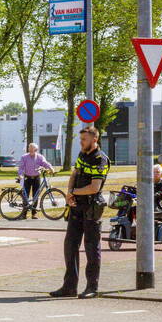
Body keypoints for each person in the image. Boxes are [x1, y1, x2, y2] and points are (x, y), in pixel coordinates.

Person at [50, 126, 110, 299]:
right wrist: (69, 192)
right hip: (77, 206)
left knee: (91, 248)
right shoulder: (82, 154)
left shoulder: (101, 159)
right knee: (70, 245)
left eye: (84, 139)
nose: (81, 142)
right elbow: (74, 174)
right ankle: (69, 286)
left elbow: (94, 187)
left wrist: (74, 192)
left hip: (91, 207)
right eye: (81, 139)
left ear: (94, 139)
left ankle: (92, 287)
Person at [17, 143, 55, 219]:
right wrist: (20, 175)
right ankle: (24, 214)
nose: (30, 150)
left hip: (36, 178)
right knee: (25, 196)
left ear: (36, 150)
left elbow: (45, 163)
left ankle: (33, 214)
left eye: (32, 149)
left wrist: (51, 168)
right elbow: (21, 167)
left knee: (36, 195)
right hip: (27, 178)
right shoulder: (24, 157)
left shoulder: (40, 157)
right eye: (29, 148)